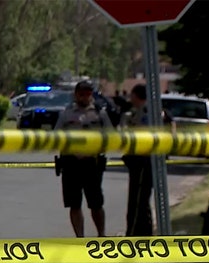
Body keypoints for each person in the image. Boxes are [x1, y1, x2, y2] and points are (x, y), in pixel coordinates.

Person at [54, 80, 113, 238]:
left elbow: (111, 136)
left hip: (92, 164)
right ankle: (80, 238)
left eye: (88, 93)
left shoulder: (100, 113)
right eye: (81, 94)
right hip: (71, 163)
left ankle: (101, 235)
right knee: (74, 204)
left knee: (96, 203)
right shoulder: (66, 113)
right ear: (76, 94)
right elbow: (56, 135)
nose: (84, 97)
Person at [120, 84, 154, 236]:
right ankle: (143, 234)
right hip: (137, 161)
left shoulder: (147, 113)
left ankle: (134, 235)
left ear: (137, 95)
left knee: (137, 202)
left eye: (131, 95)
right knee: (140, 201)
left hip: (143, 161)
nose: (129, 98)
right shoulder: (138, 112)